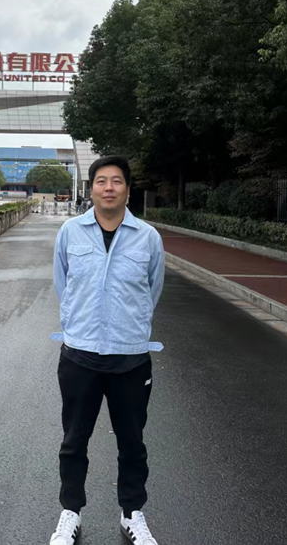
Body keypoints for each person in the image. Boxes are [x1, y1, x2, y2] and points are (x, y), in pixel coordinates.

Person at [50, 156, 165, 545]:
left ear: (128, 190)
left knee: (132, 442)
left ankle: (132, 513)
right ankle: (70, 512)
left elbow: (152, 289)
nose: (109, 187)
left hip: (130, 357)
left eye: (117, 181)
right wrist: (80, 324)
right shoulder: (70, 232)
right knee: (74, 441)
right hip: (79, 355)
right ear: (92, 189)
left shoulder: (147, 237)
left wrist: (128, 326)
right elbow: (63, 284)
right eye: (102, 181)